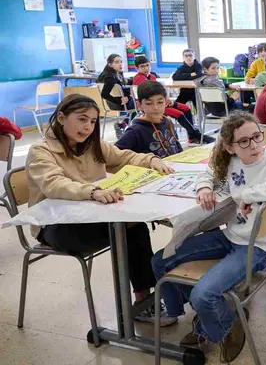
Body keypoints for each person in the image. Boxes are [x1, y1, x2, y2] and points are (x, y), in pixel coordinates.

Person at [152, 112, 266, 362]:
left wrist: (245, 195)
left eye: (256, 137)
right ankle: (191, 314)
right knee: (161, 260)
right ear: (229, 147)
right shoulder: (229, 161)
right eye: (244, 142)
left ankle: (226, 325)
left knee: (204, 293)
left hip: (259, 245)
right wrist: (205, 187)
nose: (254, 145)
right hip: (231, 235)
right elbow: (208, 172)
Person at [26, 94, 176, 326]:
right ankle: (143, 302)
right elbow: (53, 184)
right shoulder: (41, 150)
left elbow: (124, 156)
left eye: (93, 122)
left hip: (90, 215)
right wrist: (93, 191)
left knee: (132, 226)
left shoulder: (92, 145)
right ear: (62, 118)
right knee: (128, 229)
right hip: (55, 225)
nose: (88, 127)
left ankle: (143, 301)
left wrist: (151, 160)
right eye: (82, 119)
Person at [131, 57, 213, 144]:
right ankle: (197, 135)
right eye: (142, 66)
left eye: (147, 65)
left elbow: (159, 91)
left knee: (186, 108)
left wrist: (167, 99)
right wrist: (163, 101)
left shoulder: (152, 76)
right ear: (137, 68)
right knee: (179, 113)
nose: (146, 68)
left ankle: (192, 136)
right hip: (153, 105)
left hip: (162, 102)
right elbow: (148, 96)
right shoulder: (139, 78)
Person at [115, 82, 182, 157]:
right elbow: (115, 155)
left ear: (166, 102)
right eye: (149, 103)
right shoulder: (135, 131)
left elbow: (177, 146)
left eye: (160, 102)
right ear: (139, 105)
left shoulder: (168, 122)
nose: (155, 107)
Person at [97, 53, 134, 137]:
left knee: (139, 103)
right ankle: (124, 125)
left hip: (110, 104)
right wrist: (119, 101)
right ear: (110, 64)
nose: (120, 64)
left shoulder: (106, 74)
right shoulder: (110, 78)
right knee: (142, 104)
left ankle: (123, 125)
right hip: (119, 104)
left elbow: (124, 83)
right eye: (117, 62)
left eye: (121, 62)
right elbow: (104, 94)